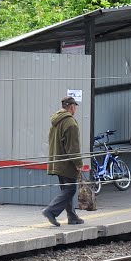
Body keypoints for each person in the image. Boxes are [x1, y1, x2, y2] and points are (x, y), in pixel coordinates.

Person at [42, 96, 84, 226]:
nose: (75, 109)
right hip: (67, 164)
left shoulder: (56, 120)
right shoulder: (70, 123)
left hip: (56, 161)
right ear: (71, 107)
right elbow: (73, 147)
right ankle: (51, 211)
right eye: (75, 106)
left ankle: (72, 217)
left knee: (66, 190)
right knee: (70, 190)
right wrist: (78, 163)